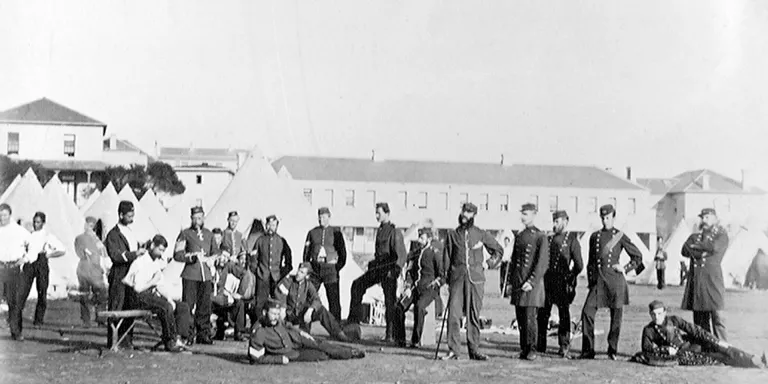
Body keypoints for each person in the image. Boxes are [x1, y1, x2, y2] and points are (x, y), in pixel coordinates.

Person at [580, 204, 644, 360]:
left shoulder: (619, 236)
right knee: (587, 313)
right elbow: (590, 263)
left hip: (615, 282)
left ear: (613, 217)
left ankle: (612, 350)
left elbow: (638, 256)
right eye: (602, 217)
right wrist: (591, 281)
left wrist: (626, 268)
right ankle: (588, 350)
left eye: (607, 217)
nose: (604, 220)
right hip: (599, 282)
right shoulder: (594, 236)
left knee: (616, 318)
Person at [441, 203, 503, 361]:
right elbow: (446, 258)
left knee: (473, 315)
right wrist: (446, 278)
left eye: (468, 213)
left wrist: (488, 264)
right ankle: (453, 349)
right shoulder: (452, 235)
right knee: (453, 315)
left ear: (474, 215)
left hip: (476, 280)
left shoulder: (480, 234)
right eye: (463, 211)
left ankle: (474, 350)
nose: (465, 215)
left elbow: (498, 250)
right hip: (457, 280)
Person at [631, 300, 766, 368]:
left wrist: (714, 340)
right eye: (653, 314)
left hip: (693, 344)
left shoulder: (674, 320)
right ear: (650, 314)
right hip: (684, 354)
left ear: (665, 312)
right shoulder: (648, 330)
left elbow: (694, 330)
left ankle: (755, 358)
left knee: (724, 348)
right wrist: (666, 350)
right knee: (720, 357)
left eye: (660, 313)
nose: (657, 317)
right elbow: (646, 349)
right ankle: (753, 363)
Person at [347, 202, 407, 343]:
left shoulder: (394, 232)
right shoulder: (380, 230)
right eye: (376, 212)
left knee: (390, 302)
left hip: (388, 271)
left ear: (387, 213)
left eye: (379, 213)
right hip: (377, 269)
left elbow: (401, 255)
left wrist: (395, 272)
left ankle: (390, 334)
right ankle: (353, 323)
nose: (377, 215)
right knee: (357, 285)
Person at [123, 235, 190, 352]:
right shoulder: (140, 262)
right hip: (138, 297)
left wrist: (168, 297)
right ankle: (170, 341)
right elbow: (138, 289)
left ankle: (180, 338)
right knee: (165, 307)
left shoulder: (155, 263)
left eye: (163, 251)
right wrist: (152, 281)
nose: (161, 253)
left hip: (150, 295)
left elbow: (160, 285)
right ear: (152, 246)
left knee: (182, 306)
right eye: (160, 250)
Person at [247, 299, 365, 364]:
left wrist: (300, 332)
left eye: (277, 314)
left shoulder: (276, 320)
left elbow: (286, 325)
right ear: (264, 313)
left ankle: (351, 352)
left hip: (297, 338)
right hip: (290, 352)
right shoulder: (258, 331)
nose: (275, 317)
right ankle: (346, 354)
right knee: (321, 355)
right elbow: (255, 357)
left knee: (320, 344)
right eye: (273, 314)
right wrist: (278, 359)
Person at [536, 210, 583, 359]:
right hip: (547, 281)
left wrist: (570, 276)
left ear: (565, 222)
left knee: (564, 315)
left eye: (558, 221)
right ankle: (540, 345)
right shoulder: (548, 239)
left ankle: (564, 346)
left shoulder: (572, 240)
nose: (555, 224)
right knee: (542, 315)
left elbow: (579, 264)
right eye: (554, 221)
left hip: (562, 282)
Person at [506, 203, 549, 361]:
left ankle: (532, 348)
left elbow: (542, 263)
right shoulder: (520, 235)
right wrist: (511, 282)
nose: (523, 217)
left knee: (530, 318)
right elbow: (514, 260)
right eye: (522, 214)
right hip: (519, 282)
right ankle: (523, 348)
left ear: (533, 215)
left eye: (526, 214)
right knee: (520, 317)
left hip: (532, 285)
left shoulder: (540, 236)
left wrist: (531, 281)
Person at [173, 206, 220, 345]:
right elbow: (177, 255)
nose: (197, 221)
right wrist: (192, 257)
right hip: (190, 275)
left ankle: (203, 334)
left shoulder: (209, 234)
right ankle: (187, 334)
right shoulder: (185, 234)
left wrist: (213, 258)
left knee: (205, 306)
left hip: (205, 275)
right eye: (194, 218)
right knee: (188, 306)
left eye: (199, 218)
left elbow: (216, 251)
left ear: (204, 218)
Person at [681, 208, 729, 342]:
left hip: (713, 281)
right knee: (700, 319)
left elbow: (715, 247)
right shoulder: (695, 236)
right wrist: (701, 249)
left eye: (707, 217)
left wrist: (696, 246)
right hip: (698, 282)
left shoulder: (721, 235)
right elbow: (684, 250)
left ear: (715, 218)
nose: (704, 220)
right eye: (703, 217)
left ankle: (723, 349)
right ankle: (706, 347)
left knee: (718, 317)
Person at [393, 227, 444, 348]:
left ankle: (415, 340)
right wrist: (407, 287)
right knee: (399, 307)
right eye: (419, 237)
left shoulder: (434, 253)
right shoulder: (415, 253)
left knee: (419, 307)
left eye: (422, 238)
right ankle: (400, 339)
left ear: (429, 239)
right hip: (415, 288)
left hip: (429, 289)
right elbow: (410, 272)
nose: (419, 240)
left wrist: (436, 283)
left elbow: (443, 275)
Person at [105, 200, 147, 348]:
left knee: (130, 306)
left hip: (131, 275)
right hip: (119, 275)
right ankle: (114, 342)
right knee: (117, 307)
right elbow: (116, 256)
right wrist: (134, 254)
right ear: (121, 215)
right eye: (129, 216)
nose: (132, 219)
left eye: (133, 215)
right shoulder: (113, 234)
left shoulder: (130, 231)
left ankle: (127, 341)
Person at [274, 262, 347, 340]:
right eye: (299, 270)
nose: (298, 273)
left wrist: (310, 310)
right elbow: (279, 294)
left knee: (321, 310)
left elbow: (317, 299)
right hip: (288, 315)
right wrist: (283, 307)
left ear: (307, 276)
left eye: (302, 272)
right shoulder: (288, 280)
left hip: (300, 315)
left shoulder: (308, 284)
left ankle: (339, 333)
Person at [19, 211, 66, 327]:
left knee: (42, 292)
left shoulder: (47, 236)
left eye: (38, 222)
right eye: (34, 222)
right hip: (30, 264)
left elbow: (62, 249)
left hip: (41, 263)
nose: (35, 224)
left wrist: (49, 255)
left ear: (43, 223)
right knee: (23, 291)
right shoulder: (29, 235)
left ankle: (38, 320)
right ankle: (16, 317)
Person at [303, 207, 347, 322]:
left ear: (329, 217)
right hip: (315, 269)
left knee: (334, 300)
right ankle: (304, 326)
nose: (321, 219)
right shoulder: (312, 232)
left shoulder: (336, 232)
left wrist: (337, 268)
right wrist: (308, 267)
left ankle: (336, 328)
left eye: (323, 216)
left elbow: (342, 253)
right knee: (309, 297)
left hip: (330, 270)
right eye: (319, 216)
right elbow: (306, 253)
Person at [249, 215, 292, 317]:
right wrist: (257, 271)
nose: (271, 227)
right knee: (260, 303)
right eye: (269, 224)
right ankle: (258, 327)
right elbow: (253, 257)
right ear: (266, 225)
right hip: (262, 276)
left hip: (277, 277)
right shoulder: (260, 240)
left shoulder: (281, 241)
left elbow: (289, 259)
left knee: (277, 302)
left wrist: (282, 272)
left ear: (277, 226)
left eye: (273, 225)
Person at [0, 203, 31, 341]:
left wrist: (26, 258)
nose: (2, 218)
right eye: (0, 215)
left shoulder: (19, 231)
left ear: (10, 215)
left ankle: (16, 332)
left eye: (5, 215)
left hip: (13, 269)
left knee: (14, 302)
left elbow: (33, 244)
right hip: (0, 267)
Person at [75, 216, 109, 328]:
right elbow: (79, 252)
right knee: (84, 294)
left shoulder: (97, 240)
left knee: (101, 294)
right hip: (84, 268)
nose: (89, 228)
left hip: (95, 270)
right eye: (88, 225)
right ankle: (86, 320)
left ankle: (101, 318)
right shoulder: (80, 238)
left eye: (91, 226)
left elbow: (103, 254)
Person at [211, 251, 247, 341]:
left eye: (226, 257)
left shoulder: (228, 267)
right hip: (212, 299)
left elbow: (243, 272)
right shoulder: (210, 267)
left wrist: (236, 294)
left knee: (239, 303)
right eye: (221, 256)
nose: (223, 259)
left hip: (224, 300)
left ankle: (238, 332)